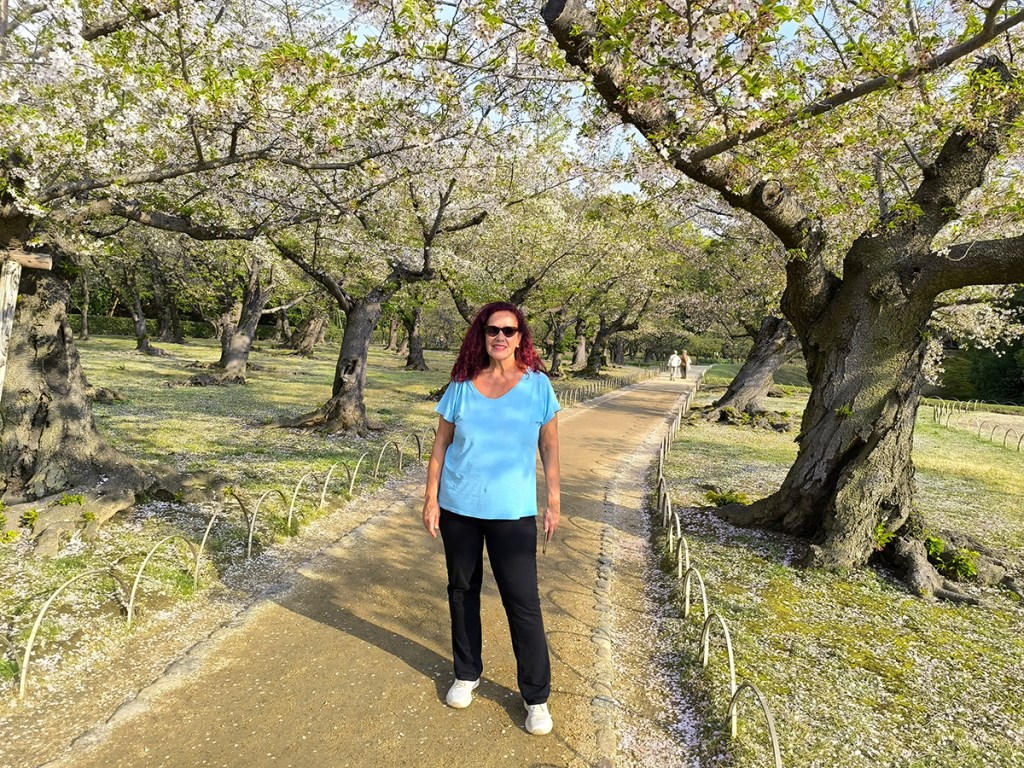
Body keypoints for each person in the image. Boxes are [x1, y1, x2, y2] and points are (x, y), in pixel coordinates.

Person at [422, 301, 561, 736]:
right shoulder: (462, 384)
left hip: (512, 513)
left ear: (521, 338)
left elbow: (549, 446)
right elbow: (441, 445)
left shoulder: (538, 386)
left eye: (508, 330)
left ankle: (536, 697)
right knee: (462, 591)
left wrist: (553, 499)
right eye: (492, 330)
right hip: (459, 507)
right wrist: (430, 499)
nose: (500, 337)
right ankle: (467, 673)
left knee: (522, 602)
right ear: (481, 336)